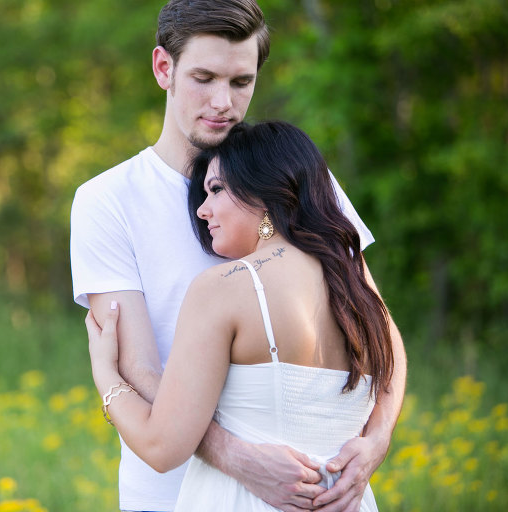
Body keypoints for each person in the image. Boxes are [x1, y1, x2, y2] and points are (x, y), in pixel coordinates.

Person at [70, 1, 406, 511]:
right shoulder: (108, 199)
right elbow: (139, 367)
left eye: (241, 82)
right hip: (166, 494)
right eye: (203, 78)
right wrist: (240, 458)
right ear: (165, 68)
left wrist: (376, 441)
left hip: (310, 493)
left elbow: (378, 326)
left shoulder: (294, 177)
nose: (223, 102)